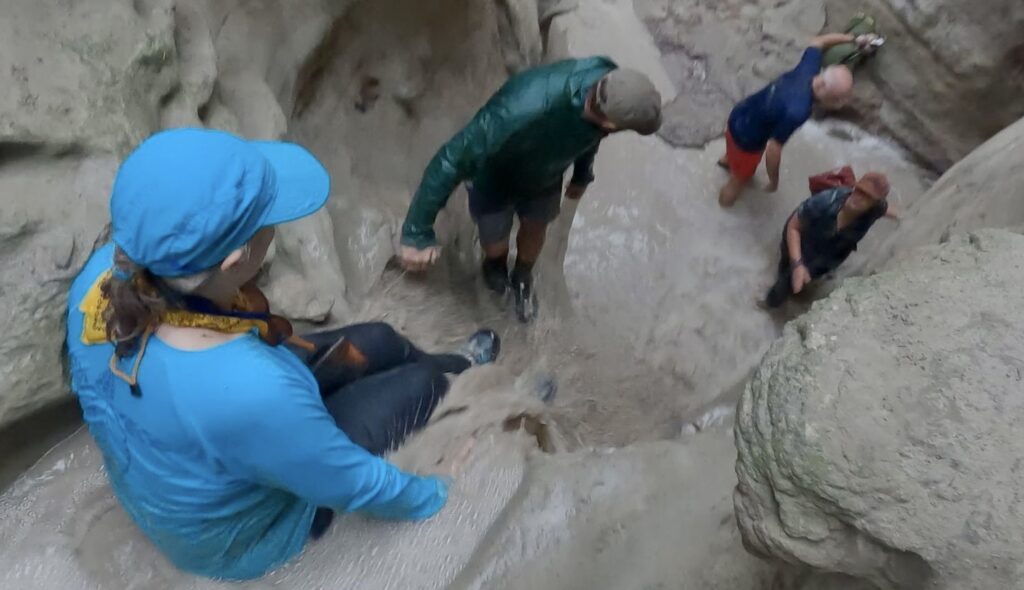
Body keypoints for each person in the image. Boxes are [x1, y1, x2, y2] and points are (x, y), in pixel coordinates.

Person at [65, 128, 500, 580]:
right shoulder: (256, 389)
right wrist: (437, 489)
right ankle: (452, 377)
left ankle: (456, 365)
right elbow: (349, 482)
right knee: (422, 384)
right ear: (235, 260)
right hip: (244, 534)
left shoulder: (101, 280)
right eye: (268, 220)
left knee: (380, 338)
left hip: (193, 455)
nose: (275, 226)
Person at [398, 57, 663, 322]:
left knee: (536, 228)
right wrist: (416, 232)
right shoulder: (520, 111)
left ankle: (523, 275)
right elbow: (452, 159)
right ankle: (496, 269)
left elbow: (591, 136)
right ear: (611, 125)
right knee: (494, 241)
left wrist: (582, 175)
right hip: (494, 180)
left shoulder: (607, 85)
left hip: (545, 178)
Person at [717, 33, 867, 208]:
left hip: (739, 114)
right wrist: (774, 180)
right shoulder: (799, 111)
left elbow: (818, 42)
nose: (840, 105)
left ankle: (726, 161)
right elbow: (773, 149)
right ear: (827, 93)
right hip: (747, 141)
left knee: (734, 153)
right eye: (839, 100)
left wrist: (854, 39)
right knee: (739, 180)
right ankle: (724, 205)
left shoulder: (809, 68)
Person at [764, 171, 900, 308]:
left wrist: (906, 217)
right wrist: (797, 264)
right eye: (859, 191)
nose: (858, 198)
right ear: (854, 187)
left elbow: (891, 211)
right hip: (803, 242)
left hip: (833, 252)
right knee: (785, 281)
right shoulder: (825, 201)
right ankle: (768, 305)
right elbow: (793, 227)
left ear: (875, 203)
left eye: (867, 197)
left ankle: (803, 283)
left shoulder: (876, 209)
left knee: (811, 276)